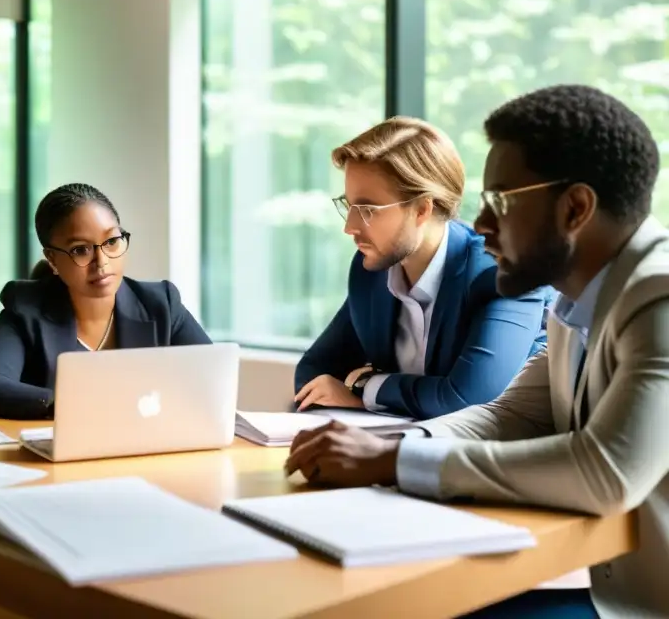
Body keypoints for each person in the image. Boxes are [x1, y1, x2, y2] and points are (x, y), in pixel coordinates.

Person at [284, 85, 669, 618]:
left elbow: (604, 472)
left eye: (501, 201)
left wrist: (394, 459)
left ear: (576, 208)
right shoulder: (573, 302)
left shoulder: (660, 296)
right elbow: (510, 413)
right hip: (598, 588)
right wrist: (385, 451)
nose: (481, 225)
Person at [293, 117, 552, 420]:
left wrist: (364, 388)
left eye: (366, 210)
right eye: (348, 206)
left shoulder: (502, 273)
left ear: (421, 209)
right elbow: (312, 376)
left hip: (504, 457)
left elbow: (466, 399)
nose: (350, 227)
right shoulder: (372, 270)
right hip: (401, 447)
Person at [0, 183, 211, 419]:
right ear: (52, 259)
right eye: (81, 250)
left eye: (112, 241)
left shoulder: (161, 304)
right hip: (60, 455)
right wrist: (72, 404)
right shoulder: (25, 310)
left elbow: (211, 375)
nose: (102, 262)